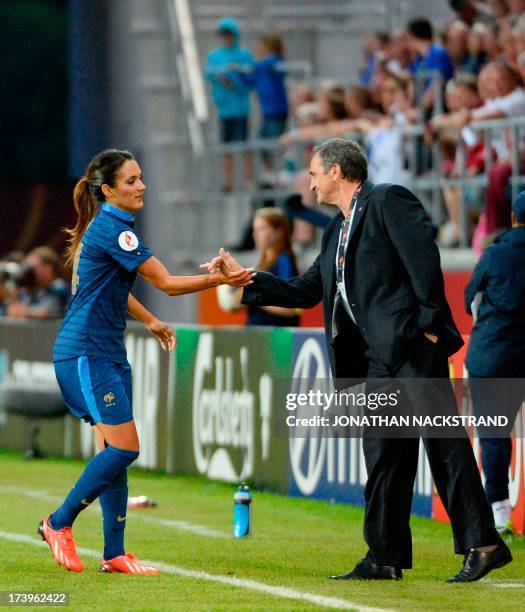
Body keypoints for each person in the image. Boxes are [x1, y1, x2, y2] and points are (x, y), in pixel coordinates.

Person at [208, 138, 511, 583]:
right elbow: (306, 290)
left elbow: (423, 255)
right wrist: (247, 278)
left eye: (313, 174)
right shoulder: (336, 229)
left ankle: (483, 543)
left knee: (443, 446)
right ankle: (384, 556)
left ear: (336, 172)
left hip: (411, 348)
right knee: (384, 456)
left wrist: (427, 322)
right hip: (375, 360)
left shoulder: (388, 199)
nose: (309, 185)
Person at [38, 149, 253, 575]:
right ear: (109, 190)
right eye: (132, 180)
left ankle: (114, 553)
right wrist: (221, 278)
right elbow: (169, 283)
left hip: (104, 352)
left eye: (140, 178)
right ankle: (57, 522)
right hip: (87, 352)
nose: (142, 187)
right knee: (124, 448)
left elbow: (113, 289)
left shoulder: (110, 228)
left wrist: (151, 320)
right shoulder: (115, 229)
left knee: (113, 452)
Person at [465, 190, 525, 535]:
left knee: (493, 433)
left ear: (513, 218)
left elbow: (468, 298)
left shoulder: (495, 254)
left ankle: (499, 512)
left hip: (493, 355)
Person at [218, 208, 300, 326]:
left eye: (262, 229)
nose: (255, 234)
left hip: (277, 337)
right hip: (257, 335)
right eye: (254, 229)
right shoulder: (261, 262)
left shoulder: (283, 260)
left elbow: (289, 310)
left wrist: (254, 299)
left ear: (278, 231)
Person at [204, 18, 254, 192]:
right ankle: (228, 182)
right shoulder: (215, 56)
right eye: (224, 34)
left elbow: (250, 79)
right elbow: (208, 74)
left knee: (244, 146)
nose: (227, 38)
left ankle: (248, 181)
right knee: (227, 148)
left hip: (240, 108)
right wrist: (223, 76)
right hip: (225, 109)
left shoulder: (244, 55)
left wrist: (236, 74)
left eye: (229, 34)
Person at [6, 246, 68, 319]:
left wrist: (26, 312)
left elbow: (46, 312)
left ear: (48, 269)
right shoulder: (36, 289)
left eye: (33, 268)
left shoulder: (58, 286)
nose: (29, 273)